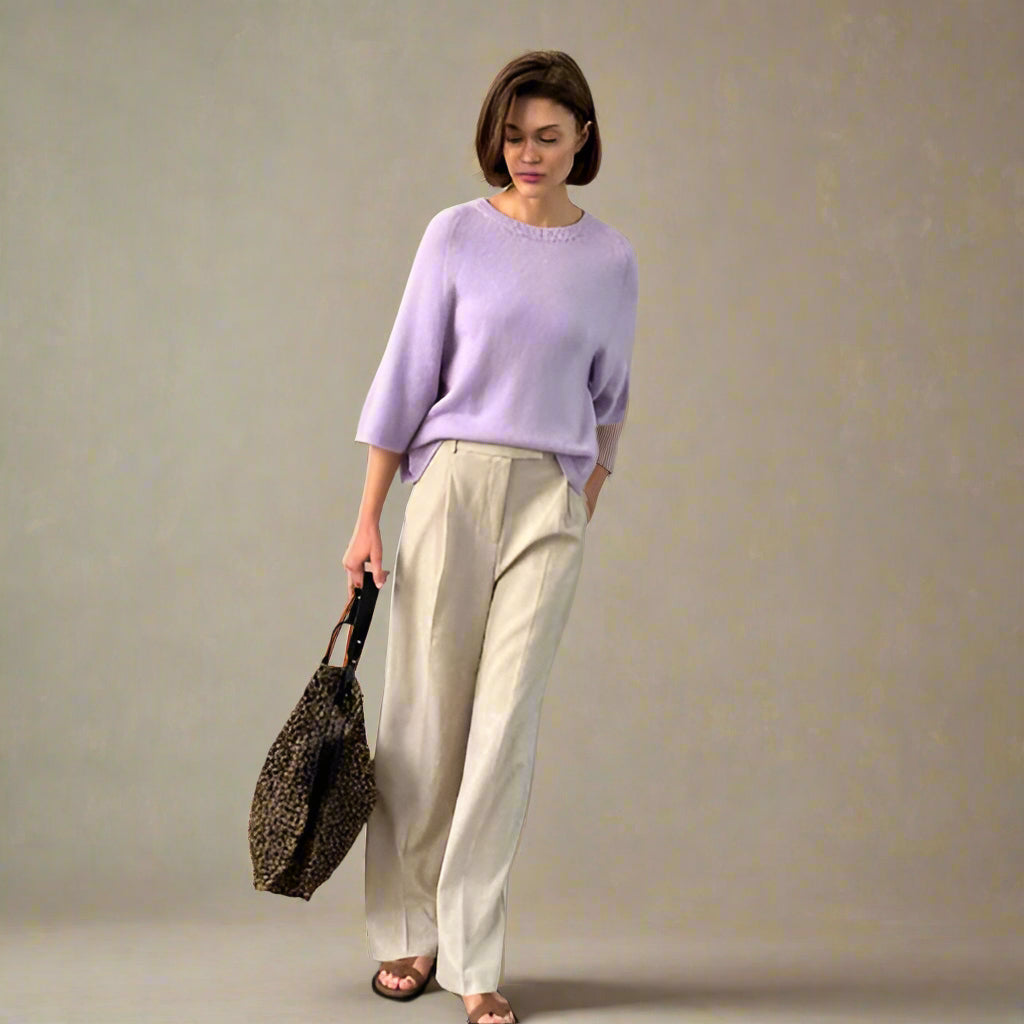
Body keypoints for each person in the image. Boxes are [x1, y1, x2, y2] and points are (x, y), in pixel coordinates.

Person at [342, 49, 638, 1024]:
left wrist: (576, 502)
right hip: (454, 484)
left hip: (548, 500)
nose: (528, 153)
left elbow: (609, 403)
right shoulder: (456, 235)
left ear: (584, 138)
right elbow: (405, 375)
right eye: (514, 136)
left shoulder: (610, 260)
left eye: (548, 136)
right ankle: (407, 930)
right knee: (424, 720)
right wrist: (367, 517)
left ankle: (474, 956)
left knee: (504, 731)